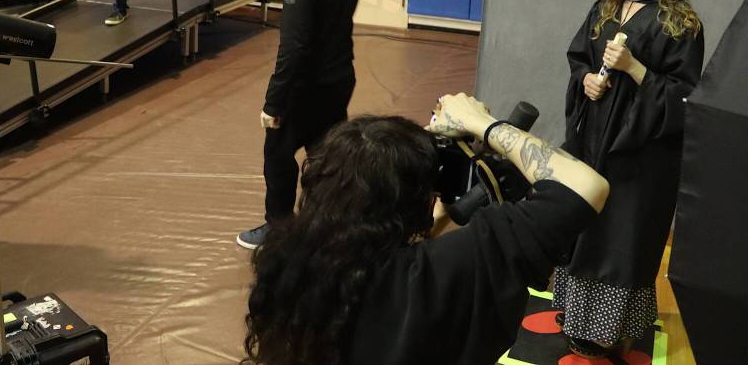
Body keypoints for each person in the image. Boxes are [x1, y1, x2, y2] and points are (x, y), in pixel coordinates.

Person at [243, 94, 610, 365]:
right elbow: (585, 187)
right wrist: (484, 124)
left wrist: (440, 219)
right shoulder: (449, 268)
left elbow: (373, 265)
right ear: (419, 198)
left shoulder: (289, 260)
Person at [554, 0, 704, 357]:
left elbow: (685, 94)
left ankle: (610, 327)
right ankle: (577, 312)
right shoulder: (603, 8)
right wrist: (586, 81)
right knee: (585, 222)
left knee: (624, 231)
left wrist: (636, 68)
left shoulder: (680, 20)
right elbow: (579, 56)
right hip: (594, 137)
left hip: (641, 149)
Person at [236, 0, 365, 250]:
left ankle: (279, 230)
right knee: (326, 155)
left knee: (277, 153)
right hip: (340, 77)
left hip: (305, 85)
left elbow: (295, 45)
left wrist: (274, 103)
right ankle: (329, 225)